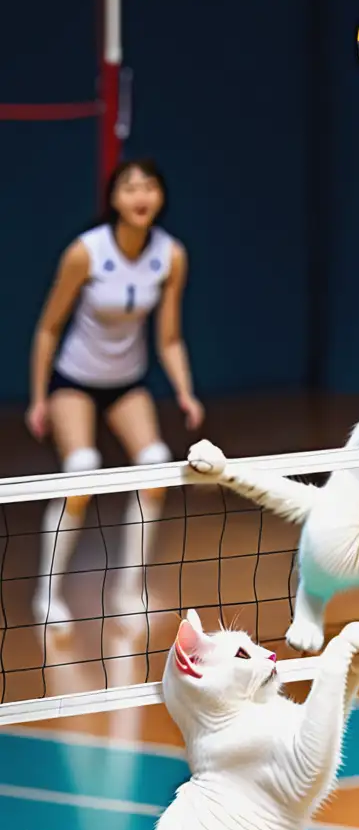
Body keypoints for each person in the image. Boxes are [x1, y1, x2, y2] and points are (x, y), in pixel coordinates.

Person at [26, 158, 204, 627]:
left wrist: (186, 393)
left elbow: (168, 336)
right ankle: (47, 595)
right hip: (75, 380)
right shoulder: (85, 252)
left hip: (127, 383)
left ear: (160, 197)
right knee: (81, 473)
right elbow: (48, 327)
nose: (140, 195)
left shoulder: (171, 255)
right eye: (129, 187)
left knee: (155, 467)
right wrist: (39, 397)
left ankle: (130, 589)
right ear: (114, 199)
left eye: (149, 186)